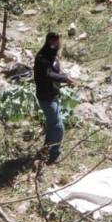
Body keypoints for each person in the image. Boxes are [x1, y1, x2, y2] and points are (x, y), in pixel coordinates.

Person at [33, 32, 76, 164]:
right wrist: (65, 79)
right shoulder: (42, 57)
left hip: (53, 94)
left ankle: (45, 150)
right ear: (48, 42)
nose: (55, 45)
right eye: (52, 42)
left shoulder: (53, 55)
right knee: (58, 127)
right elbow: (48, 74)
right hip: (46, 97)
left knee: (52, 125)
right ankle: (54, 155)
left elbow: (57, 70)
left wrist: (64, 76)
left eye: (57, 42)